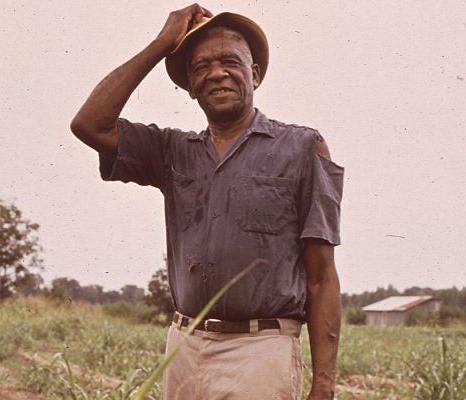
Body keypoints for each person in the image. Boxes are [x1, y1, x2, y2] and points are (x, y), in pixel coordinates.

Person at [71, 4, 344, 399]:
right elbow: (89, 124)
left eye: (230, 61)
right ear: (191, 87)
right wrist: (163, 43)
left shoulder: (302, 148)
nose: (216, 73)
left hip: (260, 352)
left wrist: (324, 385)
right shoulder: (173, 151)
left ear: (255, 74)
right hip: (185, 347)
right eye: (200, 67)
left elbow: (321, 278)